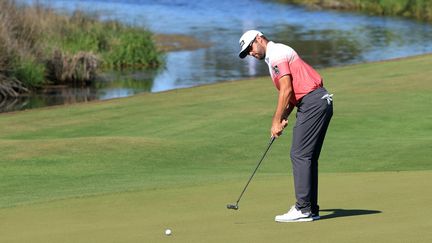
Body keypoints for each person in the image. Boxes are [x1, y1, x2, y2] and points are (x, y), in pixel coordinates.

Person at [238, 30, 333, 222]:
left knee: (299, 154)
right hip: (317, 102)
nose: (250, 53)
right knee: (307, 157)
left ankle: (303, 209)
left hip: (313, 103)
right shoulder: (275, 56)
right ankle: (310, 208)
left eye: (250, 47)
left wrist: (275, 120)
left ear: (259, 39)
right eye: (247, 52)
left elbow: (286, 89)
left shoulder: (277, 54)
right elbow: (291, 93)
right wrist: (283, 117)